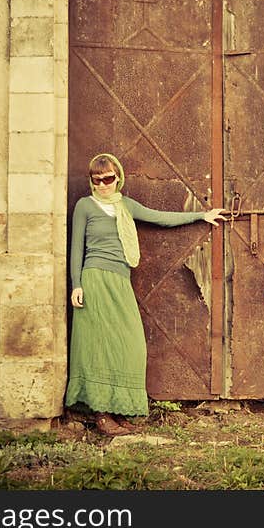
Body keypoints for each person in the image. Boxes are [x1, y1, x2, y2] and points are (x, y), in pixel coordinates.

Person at [65, 152, 227, 436]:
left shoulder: (125, 205)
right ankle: (102, 416)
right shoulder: (85, 207)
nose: (103, 185)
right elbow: (76, 247)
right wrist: (76, 284)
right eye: (97, 180)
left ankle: (119, 410)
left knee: (130, 344)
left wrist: (201, 215)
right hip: (94, 280)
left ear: (118, 178)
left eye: (108, 179)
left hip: (120, 280)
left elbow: (159, 218)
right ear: (91, 182)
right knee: (98, 346)